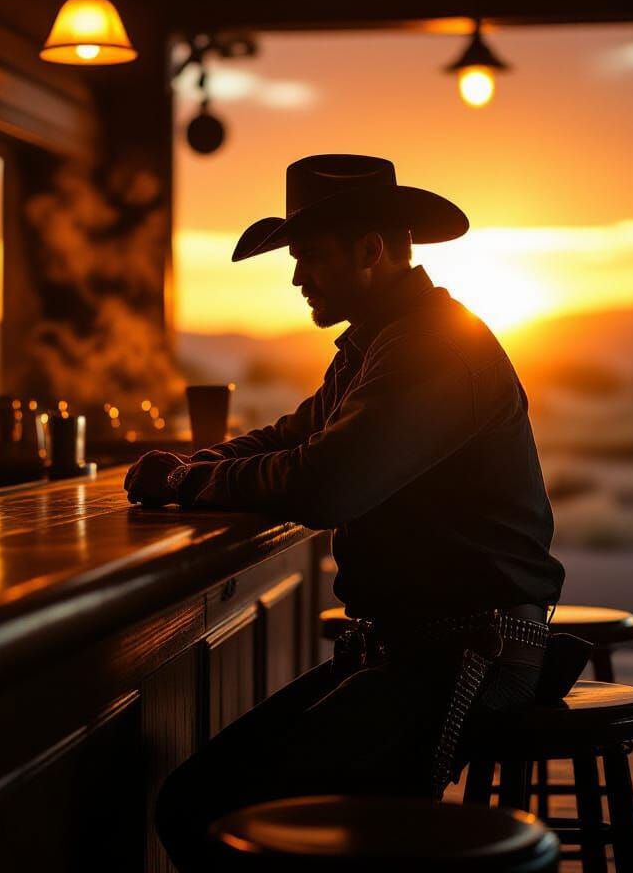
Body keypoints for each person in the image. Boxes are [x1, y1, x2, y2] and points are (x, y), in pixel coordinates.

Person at [124, 154, 566, 872]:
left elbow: (326, 485)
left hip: (467, 655)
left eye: (309, 258)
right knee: (199, 802)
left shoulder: (431, 345)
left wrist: (187, 484)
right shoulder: (383, 340)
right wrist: (196, 467)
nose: (298, 279)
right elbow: (294, 438)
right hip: (416, 649)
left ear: (370, 250)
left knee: (200, 808)